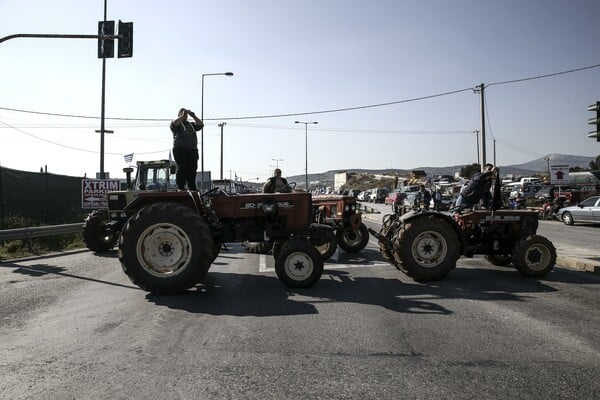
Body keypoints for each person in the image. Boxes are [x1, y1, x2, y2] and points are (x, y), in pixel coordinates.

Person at [170, 108, 203, 191]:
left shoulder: (191, 125)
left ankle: (192, 186)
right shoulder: (176, 124)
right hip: (180, 150)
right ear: (179, 115)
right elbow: (175, 124)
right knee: (182, 167)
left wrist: (193, 116)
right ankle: (180, 186)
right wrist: (182, 116)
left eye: (186, 115)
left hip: (192, 150)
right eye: (182, 114)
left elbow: (200, 124)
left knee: (192, 168)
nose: (185, 116)